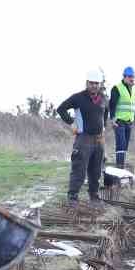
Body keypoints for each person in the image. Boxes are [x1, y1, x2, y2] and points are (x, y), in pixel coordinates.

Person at [57, 70, 108, 202]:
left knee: (96, 171)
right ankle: (73, 197)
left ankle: (94, 196)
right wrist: (71, 123)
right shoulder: (78, 97)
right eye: (91, 83)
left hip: (99, 139)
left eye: (96, 83)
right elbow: (61, 109)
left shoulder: (103, 98)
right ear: (87, 83)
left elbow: (105, 112)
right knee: (79, 169)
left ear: (100, 84)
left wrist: (104, 127)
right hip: (83, 139)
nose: (94, 86)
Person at [108, 66, 135, 168]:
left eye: (133, 77)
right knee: (120, 144)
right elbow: (112, 104)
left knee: (125, 146)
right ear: (124, 77)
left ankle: (122, 165)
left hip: (129, 122)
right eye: (130, 77)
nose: (132, 79)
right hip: (119, 122)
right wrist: (112, 119)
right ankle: (120, 167)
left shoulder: (134, 89)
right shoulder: (117, 88)